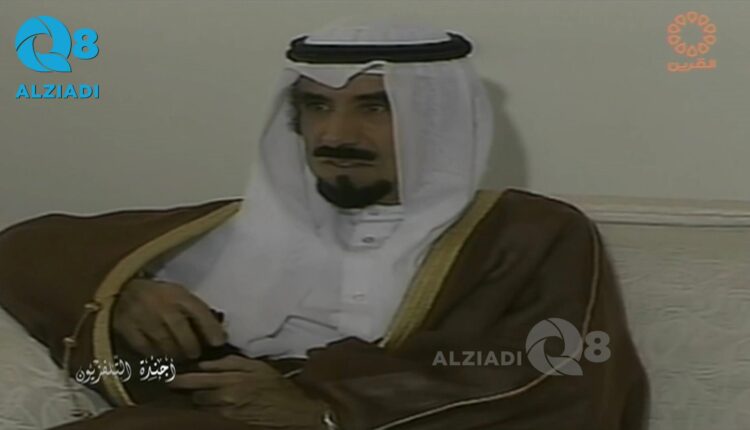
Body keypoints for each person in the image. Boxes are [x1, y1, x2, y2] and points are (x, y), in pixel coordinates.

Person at [0, 21, 648, 430]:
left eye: (375, 108)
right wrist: (122, 293)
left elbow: (559, 381)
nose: (336, 135)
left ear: (439, 121)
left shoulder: (528, 231)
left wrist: (327, 412)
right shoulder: (238, 225)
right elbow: (24, 249)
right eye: (316, 106)